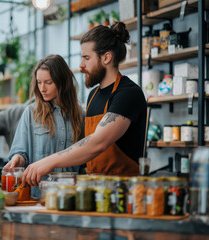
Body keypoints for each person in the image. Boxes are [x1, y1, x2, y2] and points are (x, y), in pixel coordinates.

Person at [22, 22, 147, 186]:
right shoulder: (93, 96)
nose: (81, 65)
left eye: (86, 58)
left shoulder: (128, 93)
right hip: (95, 190)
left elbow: (98, 143)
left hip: (123, 191)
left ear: (106, 58)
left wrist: (47, 162)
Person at [5, 54, 84, 197]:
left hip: (72, 198)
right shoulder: (31, 113)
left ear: (62, 82)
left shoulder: (81, 116)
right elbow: (21, 153)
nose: (42, 88)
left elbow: (86, 162)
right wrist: (17, 158)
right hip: (38, 198)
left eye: (48, 82)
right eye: (39, 82)